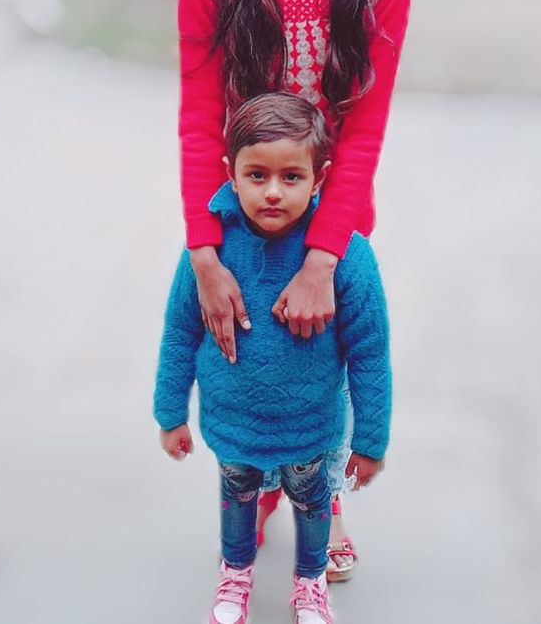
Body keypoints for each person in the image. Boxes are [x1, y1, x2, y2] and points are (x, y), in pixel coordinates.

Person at [177, 0, 410, 580]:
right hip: (239, 213)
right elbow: (199, 116)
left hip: (333, 218)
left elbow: (364, 131)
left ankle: (322, 494)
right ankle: (256, 482)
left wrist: (323, 257)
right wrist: (204, 251)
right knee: (243, 350)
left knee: (320, 361)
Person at [155, 93, 392, 624]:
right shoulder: (210, 253)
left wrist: (369, 441)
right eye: (257, 175)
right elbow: (180, 333)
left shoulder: (348, 257)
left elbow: (369, 354)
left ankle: (310, 583)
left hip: (310, 429)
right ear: (231, 173)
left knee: (312, 505)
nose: (272, 192)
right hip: (233, 426)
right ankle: (236, 574)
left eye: (291, 176)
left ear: (319, 177)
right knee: (236, 500)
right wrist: (170, 415)